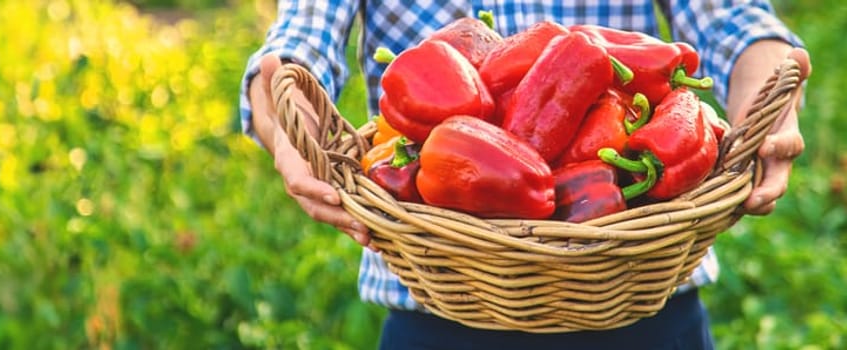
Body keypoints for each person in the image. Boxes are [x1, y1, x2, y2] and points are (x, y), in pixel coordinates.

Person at [238, 0, 811, 348]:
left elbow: (736, 21)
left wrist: (770, 103)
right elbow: (297, 44)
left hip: (643, 296)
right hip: (439, 307)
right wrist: (289, 118)